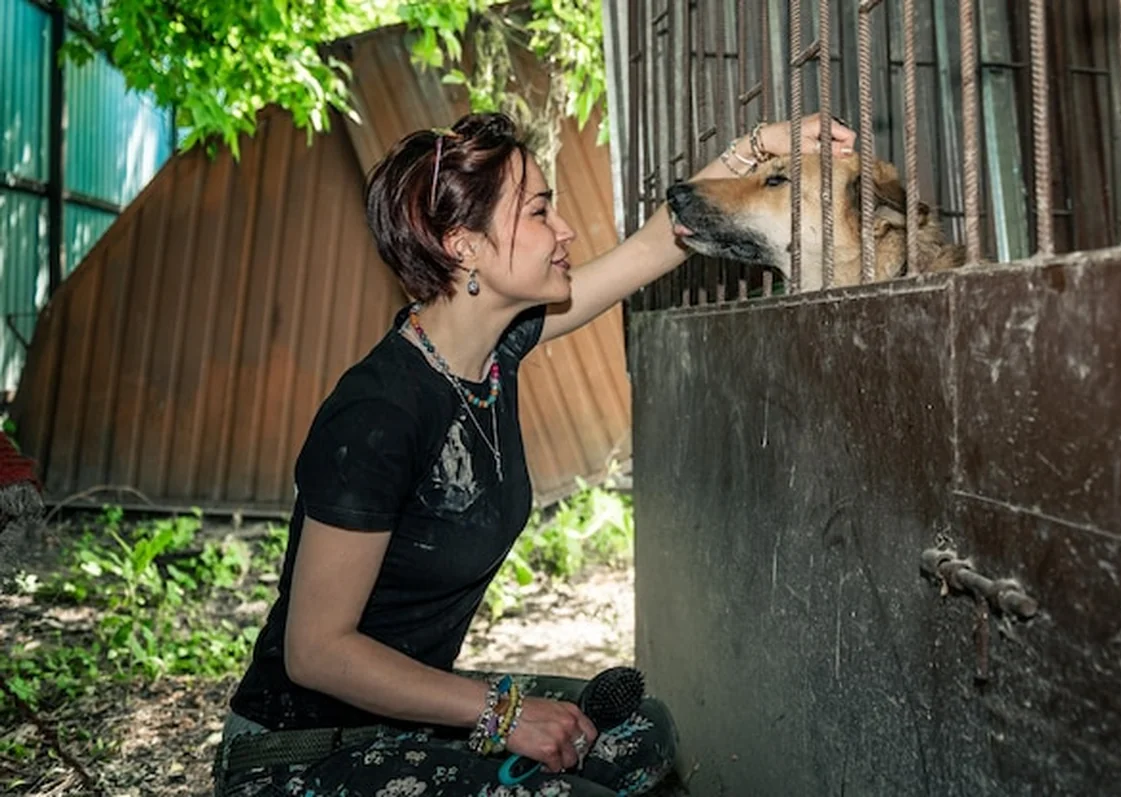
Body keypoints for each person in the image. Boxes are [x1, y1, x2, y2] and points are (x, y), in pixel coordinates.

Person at [212, 111, 858, 797]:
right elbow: (317, 652)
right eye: (541, 211)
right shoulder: (377, 414)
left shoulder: (495, 354)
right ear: (463, 245)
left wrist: (756, 147)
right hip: (303, 752)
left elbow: (656, 243)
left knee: (639, 732)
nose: (565, 230)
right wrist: (503, 712)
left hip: (406, 719)